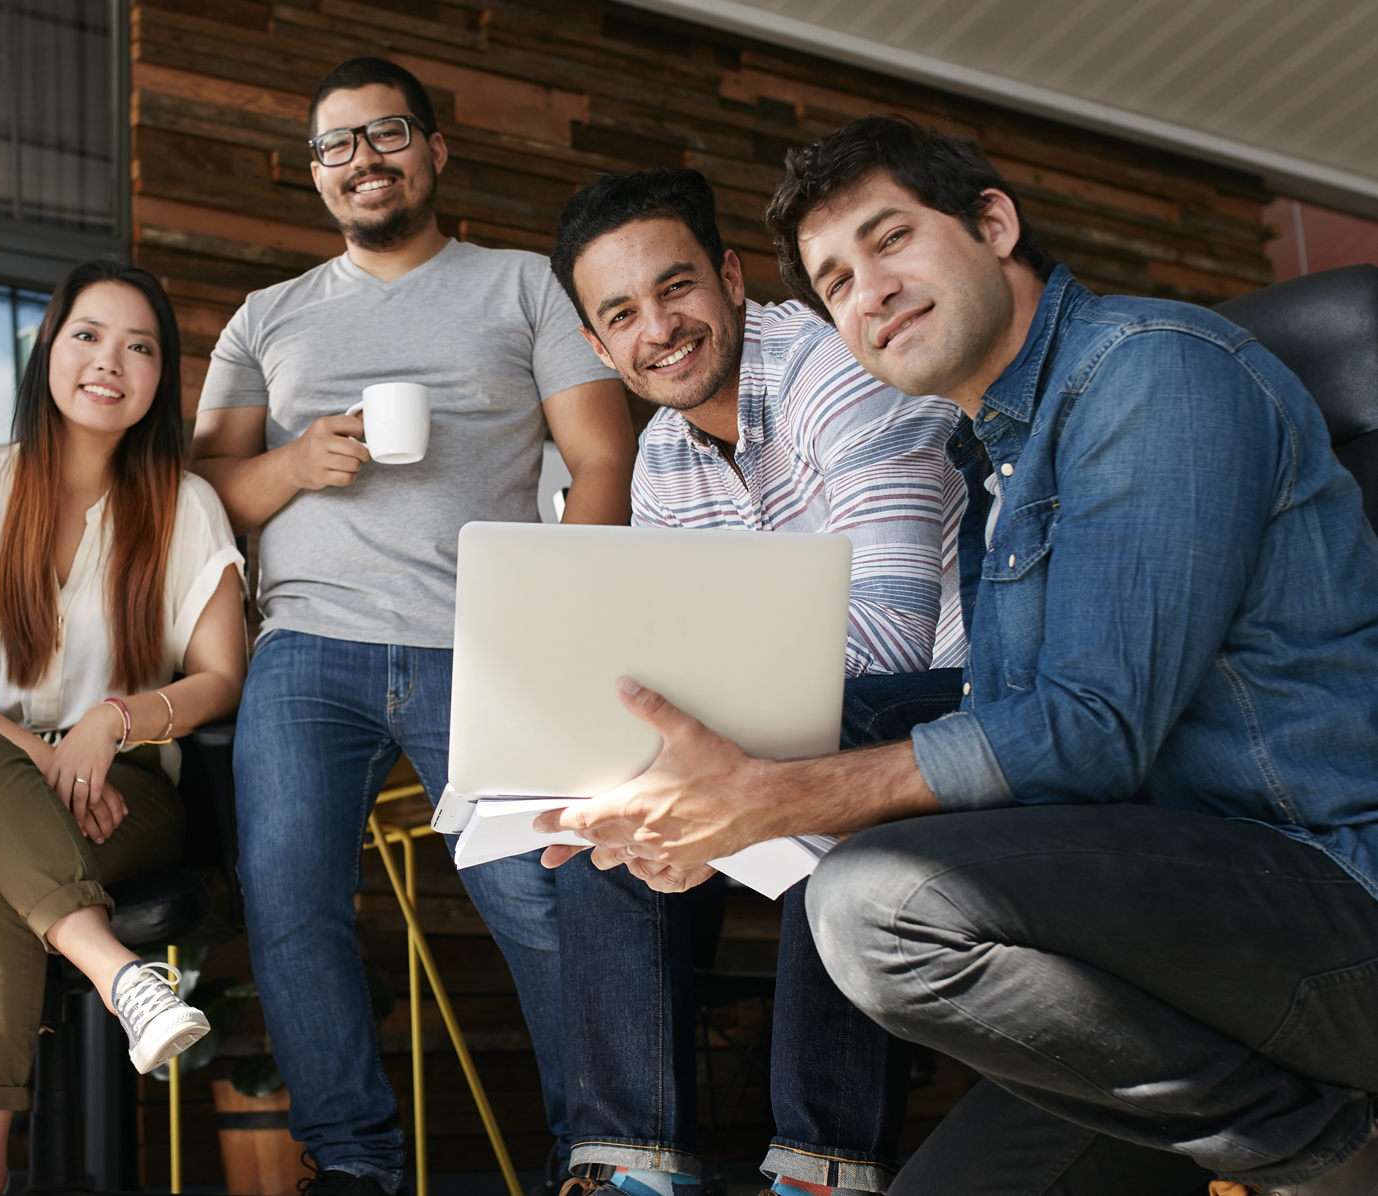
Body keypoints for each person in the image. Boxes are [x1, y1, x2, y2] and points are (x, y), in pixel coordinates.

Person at [544, 115, 1378, 1196]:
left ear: (993, 224)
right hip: (1155, 948)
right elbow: (1023, 761)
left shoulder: (1152, 374)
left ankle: (1320, 1156)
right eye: (836, 278)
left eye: (891, 240)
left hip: (1325, 896)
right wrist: (717, 820)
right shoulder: (991, 459)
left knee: (874, 902)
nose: (869, 291)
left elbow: (1089, 731)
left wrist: (778, 798)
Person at [189, 56, 639, 1195]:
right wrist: (290, 462)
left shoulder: (522, 288)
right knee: (288, 896)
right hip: (306, 644)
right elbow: (200, 499)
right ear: (315, 176)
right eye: (335, 145)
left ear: (434, 150)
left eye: (385, 133)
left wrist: (556, 626)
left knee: (537, 893)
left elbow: (599, 457)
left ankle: (604, 1152)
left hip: (479, 641)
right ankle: (352, 1162)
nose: (362, 160)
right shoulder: (267, 317)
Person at [542, 167, 972, 1196]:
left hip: (956, 705)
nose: (661, 326)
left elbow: (893, 637)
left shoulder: (835, 370)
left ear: (732, 278)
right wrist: (661, 781)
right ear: (599, 348)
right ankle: (633, 1164)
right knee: (610, 791)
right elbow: (672, 677)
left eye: (677, 285)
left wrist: (718, 776)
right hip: (806, 719)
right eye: (622, 313)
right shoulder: (659, 462)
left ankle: (824, 1166)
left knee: (830, 729)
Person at [0, 260, 245, 1196]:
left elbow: (219, 677)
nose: (109, 362)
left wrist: (115, 721)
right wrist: (42, 757)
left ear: (162, 378)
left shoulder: (184, 507)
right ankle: (122, 974)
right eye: (88, 335)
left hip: (117, 795)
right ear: (49, 347)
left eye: (140, 346)